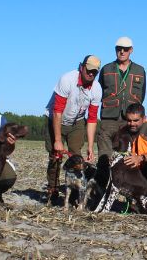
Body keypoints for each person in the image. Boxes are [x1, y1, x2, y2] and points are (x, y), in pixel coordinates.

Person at [43, 55, 103, 197]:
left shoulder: (96, 89)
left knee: (76, 155)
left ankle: (76, 189)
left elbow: (93, 119)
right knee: (55, 155)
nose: (91, 74)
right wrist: (57, 140)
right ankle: (53, 187)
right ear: (81, 67)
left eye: (94, 72)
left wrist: (90, 147)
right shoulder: (67, 80)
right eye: (88, 70)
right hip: (56, 119)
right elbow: (57, 111)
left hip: (77, 122)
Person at [97, 37, 146, 158]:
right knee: (105, 156)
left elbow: (142, 94)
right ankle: (105, 175)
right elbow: (99, 92)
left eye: (126, 49)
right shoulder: (106, 69)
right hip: (109, 118)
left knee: (127, 156)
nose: (122, 52)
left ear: (131, 50)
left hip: (129, 120)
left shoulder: (140, 70)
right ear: (115, 50)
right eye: (119, 49)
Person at [114, 103, 147, 206]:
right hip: (131, 168)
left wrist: (140, 158)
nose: (132, 124)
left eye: (136, 120)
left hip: (146, 166)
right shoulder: (122, 129)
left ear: (144, 118)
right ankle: (131, 200)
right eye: (129, 120)